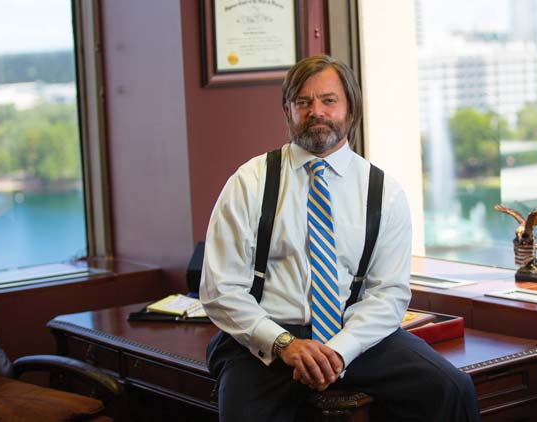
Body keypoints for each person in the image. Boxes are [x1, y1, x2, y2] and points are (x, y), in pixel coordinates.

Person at [200, 54, 479, 422]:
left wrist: (339, 350)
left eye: (329, 100)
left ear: (351, 109)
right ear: (288, 110)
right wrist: (285, 345)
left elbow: (388, 294)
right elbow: (220, 290)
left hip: (354, 334)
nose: (316, 111)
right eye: (303, 101)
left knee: (451, 389)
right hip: (265, 339)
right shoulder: (249, 183)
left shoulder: (384, 192)